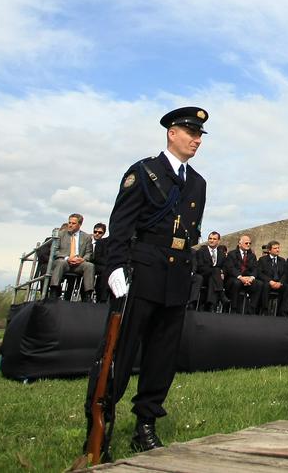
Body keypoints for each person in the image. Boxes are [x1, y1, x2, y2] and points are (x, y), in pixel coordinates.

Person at [92, 106, 208, 454]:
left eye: (200, 135)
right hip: (142, 271)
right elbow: (121, 225)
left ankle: (145, 424)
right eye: (190, 132)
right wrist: (115, 267)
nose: (196, 140)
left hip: (175, 276)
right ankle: (100, 422)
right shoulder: (144, 172)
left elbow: (191, 233)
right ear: (172, 133)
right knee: (121, 351)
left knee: (162, 356)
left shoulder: (198, 183)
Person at [48, 213, 95, 301]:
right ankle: (54, 291)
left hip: (79, 263)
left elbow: (89, 253)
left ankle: (87, 295)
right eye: (69, 222)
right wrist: (67, 258)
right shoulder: (60, 234)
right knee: (61, 263)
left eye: (73, 223)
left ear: (79, 224)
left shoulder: (86, 237)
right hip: (64, 261)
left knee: (90, 266)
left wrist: (83, 259)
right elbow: (54, 251)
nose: (70, 225)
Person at [222, 235, 262, 313]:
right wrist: (241, 277)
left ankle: (251, 308)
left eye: (250, 243)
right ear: (240, 244)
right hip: (235, 278)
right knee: (237, 283)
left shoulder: (252, 256)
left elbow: (255, 268)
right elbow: (231, 268)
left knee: (259, 284)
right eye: (246, 243)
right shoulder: (232, 254)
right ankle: (234, 308)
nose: (248, 245)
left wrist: (251, 278)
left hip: (248, 279)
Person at [193, 231, 227, 311]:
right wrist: (217, 271)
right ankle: (221, 294)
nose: (211, 240)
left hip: (215, 279)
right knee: (216, 271)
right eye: (210, 238)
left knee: (214, 278)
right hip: (203, 276)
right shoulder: (201, 252)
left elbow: (225, 266)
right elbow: (200, 267)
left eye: (214, 239)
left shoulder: (221, 254)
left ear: (218, 241)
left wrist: (223, 273)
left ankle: (211, 305)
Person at [257, 241, 288, 317]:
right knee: (265, 285)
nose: (278, 250)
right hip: (268, 282)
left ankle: (282, 312)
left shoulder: (282, 260)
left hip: (279, 283)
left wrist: (280, 282)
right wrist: (270, 281)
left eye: (278, 248)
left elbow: (285, 274)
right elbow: (259, 273)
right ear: (269, 250)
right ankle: (265, 310)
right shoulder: (262, 260)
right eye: (275, 248)